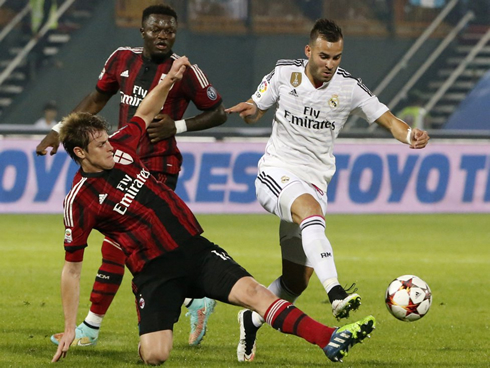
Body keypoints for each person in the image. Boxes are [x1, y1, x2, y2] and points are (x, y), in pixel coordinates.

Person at [52, 56, 376, 365]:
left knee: (254, 293)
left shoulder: (121, 145)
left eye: (107, 139)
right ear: (80, 152)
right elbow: (72, 269)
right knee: (155, 355)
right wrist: (69, 327)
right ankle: (158, 322)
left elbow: (145, 111)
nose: (109, 147)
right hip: (154, 273)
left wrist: (169, 80)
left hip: (194, 249)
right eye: (100, 145)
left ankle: (329, 337)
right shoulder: (79, 201)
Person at [226, 18, 430, 362]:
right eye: (324, 56)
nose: (330, 65)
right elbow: (256, 109)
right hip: (276, 173)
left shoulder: (349, 87)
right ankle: (336, 293)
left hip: (314, 183)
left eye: (336, 58)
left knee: (295, 282)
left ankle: (253, 316)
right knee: (310, 213)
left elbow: (388, 119)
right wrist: (249, 111)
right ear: (309, 51)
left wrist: (411, 135)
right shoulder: (283, 75)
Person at [36, 4, 226, 347]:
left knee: (119, 248)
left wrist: (178, 126)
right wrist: (59, 129)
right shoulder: (121, 59)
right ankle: (192, 299)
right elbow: (96, 98)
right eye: (156, 30)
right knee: (132, 250)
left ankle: (92, 329)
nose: (163, 36)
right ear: (143, 32)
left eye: (169, 30)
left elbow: (217, 113)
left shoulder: (187, 72)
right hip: (120, 160)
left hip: (158, 166)